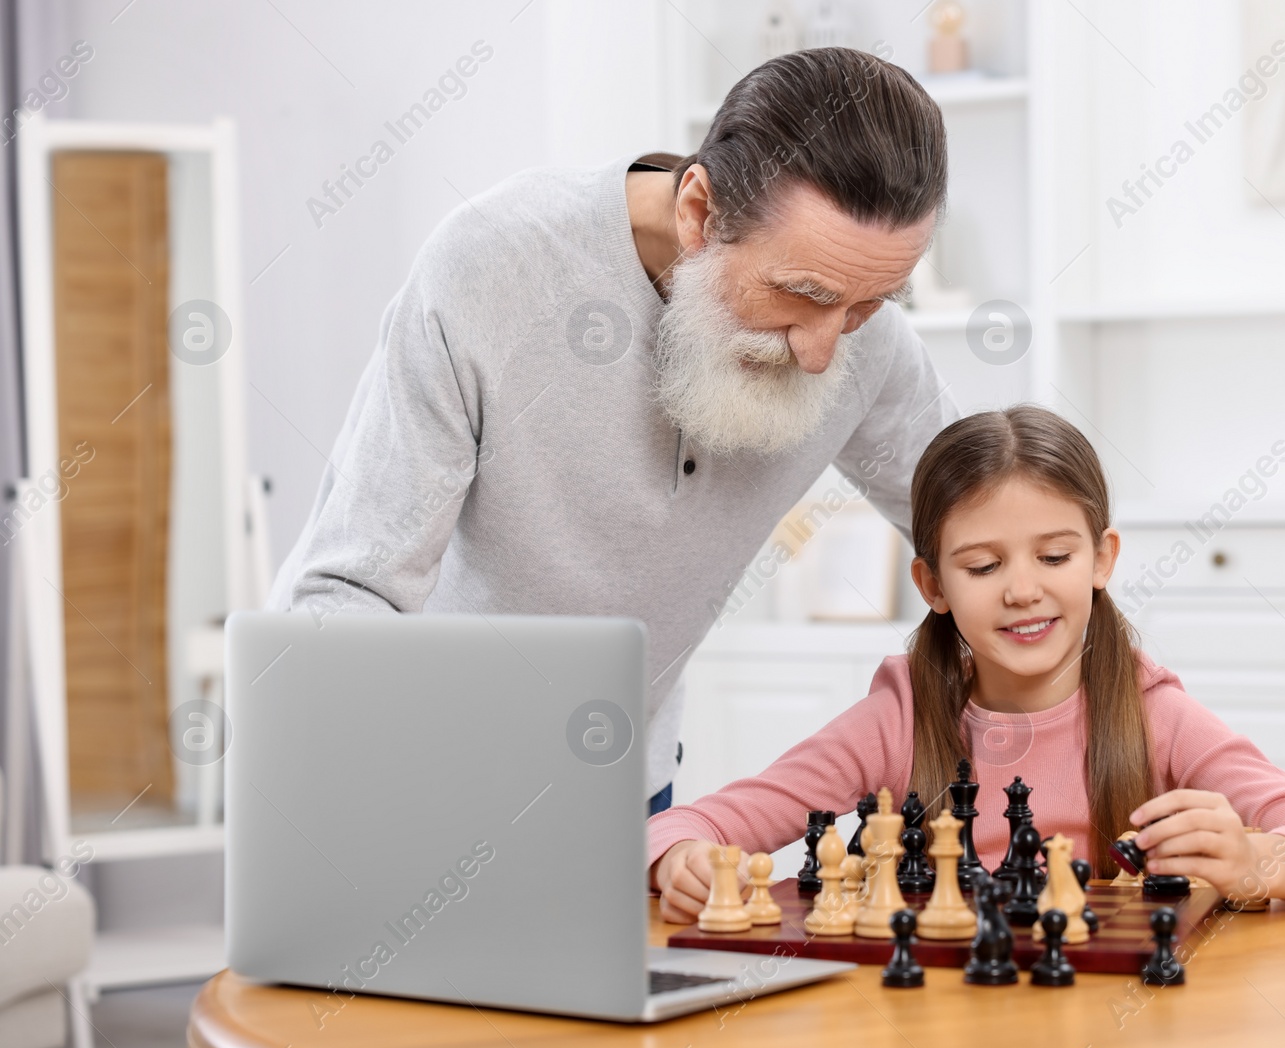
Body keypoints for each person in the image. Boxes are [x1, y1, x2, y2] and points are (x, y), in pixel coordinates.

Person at [266, 48, 961, 814]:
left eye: (868, 304)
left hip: (627, 782)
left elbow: (991, 527)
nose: (823, 350)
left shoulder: (870, 343)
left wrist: (1109, 708)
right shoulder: (492, 265)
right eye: (801, 294)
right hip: (426, 775)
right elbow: (350, 585)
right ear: (699, 213)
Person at [648, 406, 1285, 922]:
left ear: (1102, 559)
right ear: (933, 586)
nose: (1023, 588)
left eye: (1055, 555)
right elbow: (686, 825)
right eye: (982, 564)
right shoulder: (901, 716)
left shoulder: (1154, 712)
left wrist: (1256, 861)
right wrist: (680, 858)